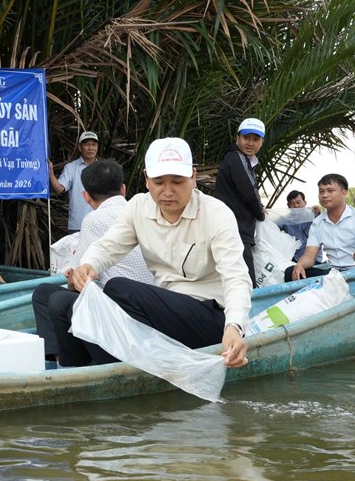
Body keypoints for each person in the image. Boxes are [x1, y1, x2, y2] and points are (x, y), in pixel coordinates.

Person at [49, 137, 251, 369]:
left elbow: (235, 277)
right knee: (61, 301)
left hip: (209, 317)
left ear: (193, 177)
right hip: (163, 313)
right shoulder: (138, 207)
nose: (167, 191)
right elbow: (108, 246)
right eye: (158, 182)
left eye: (177, 181)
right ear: (146, 179)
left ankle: (119, 364)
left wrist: (234, 327)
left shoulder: (217, 214)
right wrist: (87, 266)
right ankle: (85, 373)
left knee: (118, 288)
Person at [32, 159, 154, 358]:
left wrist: (76, 277)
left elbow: (75, 281)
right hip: (151, 300)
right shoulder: (142, 210)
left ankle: (64, 361)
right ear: (123, 189)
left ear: (86, 197)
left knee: (47, 294)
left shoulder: (94, 220)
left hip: (124, 307)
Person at [286, 173, 355, 282]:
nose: (324, 195)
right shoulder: (317, 223)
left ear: (344, 193)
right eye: (321, 191)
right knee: (291, 272)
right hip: (336, 274)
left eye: (330, 191)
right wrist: (300, 264)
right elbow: (310, 256)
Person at [214, 118, 267, 286]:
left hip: (235, 229)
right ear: (237, 138)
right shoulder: (237, 158)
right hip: (236, 230)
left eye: (255, 139)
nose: (250, 143)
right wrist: (260, 213)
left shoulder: (241, 159)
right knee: (246, 284)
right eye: (246, 138)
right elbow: (250, 192)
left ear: (261, 142)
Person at [48, 131, 99, 233]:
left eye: (93, 144)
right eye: (87, 144)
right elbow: (58, 189)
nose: (91, 148)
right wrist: (50, 172)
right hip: (78, 225)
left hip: (100, 224)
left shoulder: (104, 168)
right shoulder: (71, 168)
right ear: (80, 147)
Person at [275, 190, 323, 263]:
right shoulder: (285, 219)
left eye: (298, 202)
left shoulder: (313, 215)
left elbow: (325, 221)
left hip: (314, 259)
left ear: (305, 202)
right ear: (288, 206)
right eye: (292, 203)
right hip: (294, 259)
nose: (296, 206)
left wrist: (318, 212)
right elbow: (271, 226)